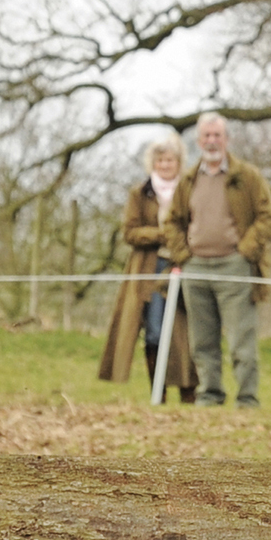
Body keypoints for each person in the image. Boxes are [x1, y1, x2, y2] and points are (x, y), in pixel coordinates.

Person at [162, 112, 271, 407]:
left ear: (226, 139)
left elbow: (267, 218)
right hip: (195, 267)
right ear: (199, 140)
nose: (211, 141)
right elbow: (172, 222)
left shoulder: (246, 176)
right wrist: (184, 255)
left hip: (234, 267)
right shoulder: (188, 179)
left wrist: (245, 251)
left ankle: (247, 399)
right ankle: (210, 395)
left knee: (241, 340)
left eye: (217, 135)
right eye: (206, 136)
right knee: (202, 341)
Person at [98, 133, 199, 402]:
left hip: (182, 265)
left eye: (170, 160)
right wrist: (162, 234)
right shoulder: (140, 192)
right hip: (149, 268)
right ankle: (159, 392)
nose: (165, 165)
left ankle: (189, 390)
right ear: (153, 163)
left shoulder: (189, 190)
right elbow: (130, 232)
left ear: (179, 163)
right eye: (160, 160)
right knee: (154, 329)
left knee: (184, 332)